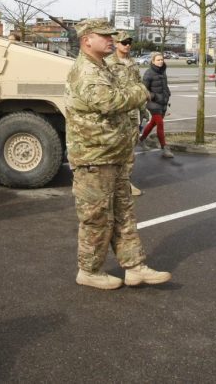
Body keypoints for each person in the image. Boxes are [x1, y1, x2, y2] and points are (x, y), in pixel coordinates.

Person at [65, 18, 171, 290]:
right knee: (97, 217)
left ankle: (134, 267)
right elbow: (111, 101)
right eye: (105, 36)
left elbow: (124, 90)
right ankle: (89, 270)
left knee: (123, 213)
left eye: (113, 35)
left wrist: (132, 91)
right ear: (87, 39)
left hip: (115, 154)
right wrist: (138, 92)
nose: (111, 39)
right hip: (94, 157)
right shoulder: (86, 72)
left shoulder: (103, 67)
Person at [105, 32, 144, 196]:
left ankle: (125, 183)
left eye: (130, 42)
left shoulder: (133, 63)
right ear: (115, 43)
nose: (127, 45)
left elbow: (139, 85)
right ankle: (110, 184)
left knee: (129, 151)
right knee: (113, 149)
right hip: (117, 113)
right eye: (124, 42)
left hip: (132, 114)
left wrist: (143, 108)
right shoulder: (107, 63)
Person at [139, 53, 174, 158]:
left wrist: (168, 93)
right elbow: (144, 90)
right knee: (160, 124)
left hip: (163, 103)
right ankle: (165, 148)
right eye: (158, 60)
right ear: (153, 61)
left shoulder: (163, 72)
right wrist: (154, 96)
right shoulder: (149, 73)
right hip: (153, 103)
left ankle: (141, 139)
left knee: (153, 123)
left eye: (162, 59)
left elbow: (165, 86)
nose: (160, 61)